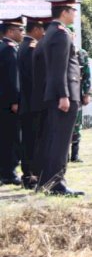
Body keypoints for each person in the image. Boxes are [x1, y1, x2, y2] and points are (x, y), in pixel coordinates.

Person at [36, 0, 84, 196]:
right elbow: (59, 69)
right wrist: (64, 95)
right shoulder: (61, 34)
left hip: (55, 94)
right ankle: (57, 184)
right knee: (60, 142)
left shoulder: (51, 33)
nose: (75, 13)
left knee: (53, 140)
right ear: (64, 12)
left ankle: (46, 181)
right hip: (63, 95)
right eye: (73, 9)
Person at [18, 18, 46, 189]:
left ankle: (28, 174)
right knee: (32, 141)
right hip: (32, 103)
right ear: (35, 29)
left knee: (28, 140)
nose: (43, 33)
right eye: (42, 29)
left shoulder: (23, 46)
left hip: (27, 103)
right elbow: (34, 78)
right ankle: (30, 175)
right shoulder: (30, 48)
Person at [0, 17, 24, 186]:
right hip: (9, 103)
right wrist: (15, 100)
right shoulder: (9, 49)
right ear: (9, 31)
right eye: (20, 30)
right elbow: (12, 78)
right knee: (11, 138)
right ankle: (9, 172)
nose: (22, 33)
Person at [66, 25, 91, 163]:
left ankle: (75, 154)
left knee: (77, 124)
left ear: (74, 36)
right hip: (64, 93)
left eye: (71, 34)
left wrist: (87, 93)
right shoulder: (60, 52)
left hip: (78, 94)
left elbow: (87, 75)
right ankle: (65, 155)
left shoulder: (81, 54)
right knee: (64, 126)